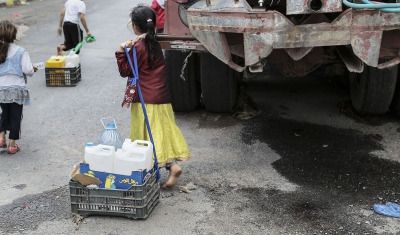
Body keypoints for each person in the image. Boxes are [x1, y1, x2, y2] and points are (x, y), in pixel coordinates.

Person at [115, 4, 191, 189]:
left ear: (135, 26)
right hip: (161, 98)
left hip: (144, 99)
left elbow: (126, 71)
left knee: (147, 136)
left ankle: (166, 168)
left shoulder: (137, 47)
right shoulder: (154, 43)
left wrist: (120, 51)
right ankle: (171, 167)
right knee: (160, 132)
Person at [0, 20, 37, 154]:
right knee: (16, 116)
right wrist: (33, 69)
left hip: (1, 90)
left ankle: (1, 137)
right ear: (13, 35)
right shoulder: (21, 51)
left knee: (5, 114)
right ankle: (11, 145)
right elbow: (27, 70)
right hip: (17, 89)